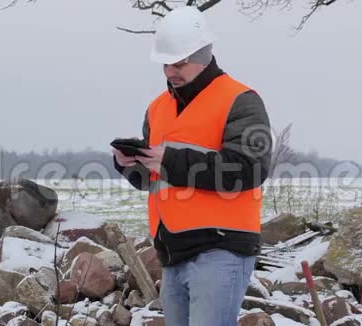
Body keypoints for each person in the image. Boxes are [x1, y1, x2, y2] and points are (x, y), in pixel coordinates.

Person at [112, 6, 272, 326]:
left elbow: (250, 168)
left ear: (204, 54)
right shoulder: (157, 108)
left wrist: (168, 159)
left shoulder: (241, 100)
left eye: (180, 62)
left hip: (221, 248)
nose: (171, 70)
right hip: (173, 251)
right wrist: (129, 165)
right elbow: (154, 179)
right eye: (166, 63)